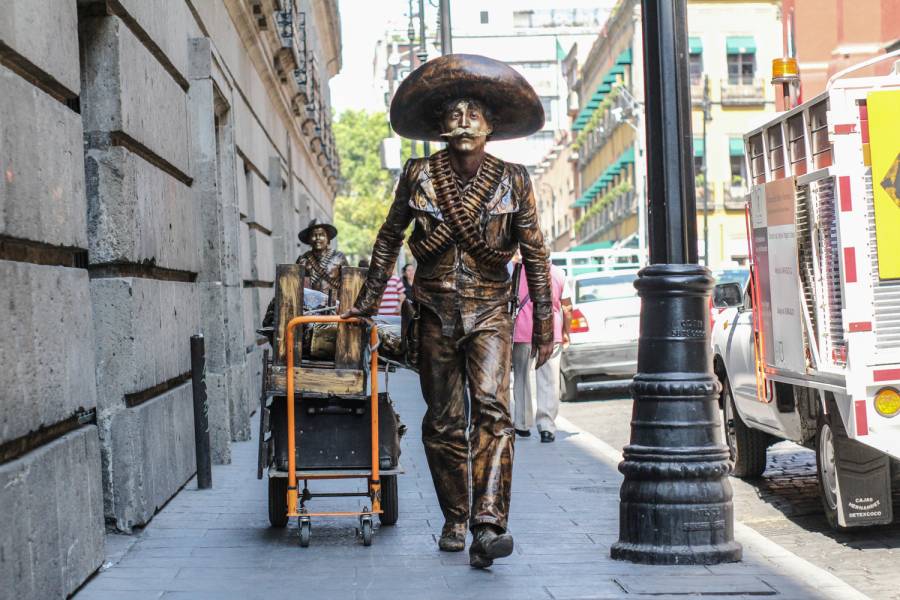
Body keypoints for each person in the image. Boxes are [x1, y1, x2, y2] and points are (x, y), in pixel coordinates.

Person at [342, 54, 552, 569]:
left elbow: (534, 253)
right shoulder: (418, 174)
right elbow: (390, 238)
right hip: (433, 310)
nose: (463, 122)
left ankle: (488, 521)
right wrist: (367, 303)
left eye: (473, 114)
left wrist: (546, 323)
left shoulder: (514, 178)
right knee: (442, 422)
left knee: (494, 413)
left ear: (491, 126)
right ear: (440, 127)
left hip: (490, 313)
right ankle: (455, 516)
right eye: (454, 114)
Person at [512, 253, 571, 443]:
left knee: (521, 377)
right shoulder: (558, 273)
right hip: (551, 332)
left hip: (522, 331)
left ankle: (521, 423)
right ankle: (546, 426)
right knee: (549, 379)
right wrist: (566, 332)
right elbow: (567, 307)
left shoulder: (517, 272)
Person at [262, 219, 347, 327]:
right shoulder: (303, 259)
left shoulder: (339, 257)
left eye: (321, 235)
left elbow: (347, 285)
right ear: (309, 239)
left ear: (328, 238)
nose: (317, 238)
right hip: (310, 311)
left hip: (334, 309)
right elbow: (294, 285)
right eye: (314, 235)